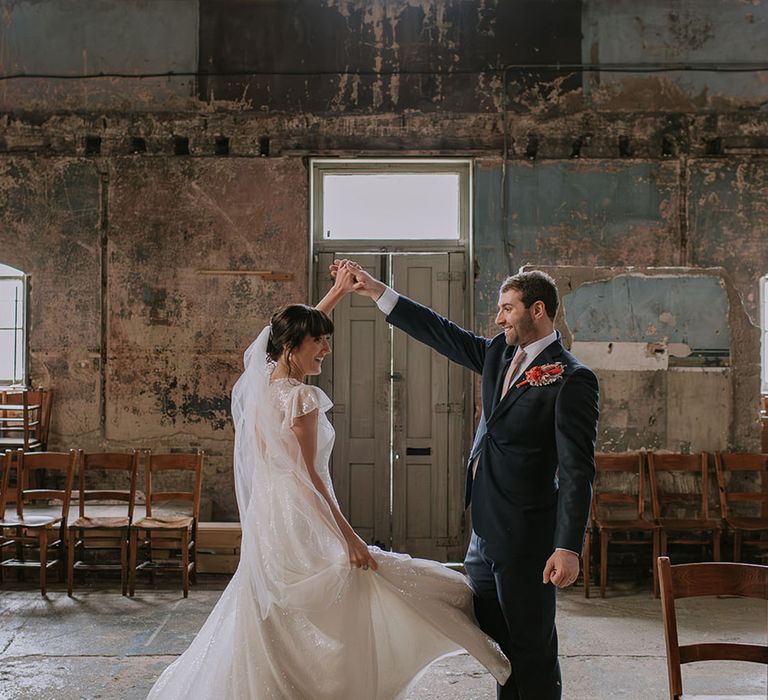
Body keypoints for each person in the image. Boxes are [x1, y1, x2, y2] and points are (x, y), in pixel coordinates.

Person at [145, 262, 510, 699]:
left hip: (269, 515)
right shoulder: (300, 396)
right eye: (318, 341)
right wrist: (350, 536)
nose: (325, 349)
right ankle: (489, 652)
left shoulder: (261, 383)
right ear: (293, 345)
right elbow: (309, 477)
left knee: (279, 610)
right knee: (371, 581)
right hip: (298, 511)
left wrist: (336, 293)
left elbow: (291, 333)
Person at [332, 259, 599, 700]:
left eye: (507, 309)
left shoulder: (572, 379)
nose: (498, 318)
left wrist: (567, 546)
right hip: (485, 533)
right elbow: (442, 333)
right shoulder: (497, 353)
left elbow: (577, 469)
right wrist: (380, 291)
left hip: (528, 538)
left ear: (538, 310)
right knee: (499, 653)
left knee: (532, 652)